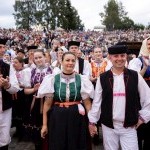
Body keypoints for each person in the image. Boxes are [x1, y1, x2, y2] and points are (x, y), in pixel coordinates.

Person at [88, 45, 150, 150]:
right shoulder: (102, 78)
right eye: (116, 56)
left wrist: (143, 117)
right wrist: (92, 122)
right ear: (110, 57)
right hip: (108, 126)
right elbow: (97, 103)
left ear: (126, 57)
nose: (119, 59)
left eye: (122, 55)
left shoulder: (135, 76)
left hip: (129, 126)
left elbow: (147, 98)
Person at [38, 52, 94, 150]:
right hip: (57, 117)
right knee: (58, 144)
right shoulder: (52, 79)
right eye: (67, 60)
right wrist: (44, 125)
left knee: (76, 144)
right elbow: (47, 105)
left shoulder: (82, 79)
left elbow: (88, 103)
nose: (70, 63)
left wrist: (92, 123)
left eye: (73, 60)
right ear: (61, 61)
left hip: (77, 118)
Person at [22, 49, 53, 150]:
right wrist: (34, 89)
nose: (38, 60)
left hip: (50, 102)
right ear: (33, 60)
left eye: (40, 57)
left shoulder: (54, 70)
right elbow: (25, 91)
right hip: (35, 102)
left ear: (45, 57)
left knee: (50, 127)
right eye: (36, 58)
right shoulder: (29, 71)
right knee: (37, 132)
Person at [128, 37, 150, 150]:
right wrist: (145, 67)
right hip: (142, 91)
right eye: (148, 44)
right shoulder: (137, 61)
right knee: (142, 121)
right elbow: (135, 79)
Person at [0, 38, 19, 150]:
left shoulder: (8, 66)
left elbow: (15, 88)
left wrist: (7, 85)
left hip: (5, 108)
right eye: (0, 47)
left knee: (4, 138)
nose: (2, 50)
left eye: (3, 47)